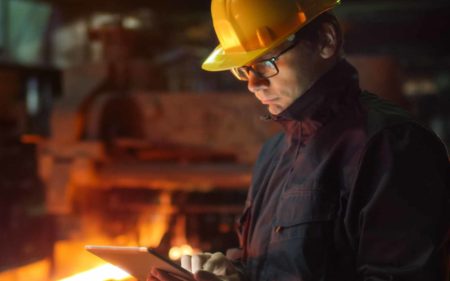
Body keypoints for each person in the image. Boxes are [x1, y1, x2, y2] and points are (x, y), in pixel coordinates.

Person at [148, 0, 450, 280]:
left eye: (266, 62)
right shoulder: (274, 153)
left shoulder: (391, 145)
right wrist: (233, 273)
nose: (254, 84)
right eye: (243, 70)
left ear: (325, 40)